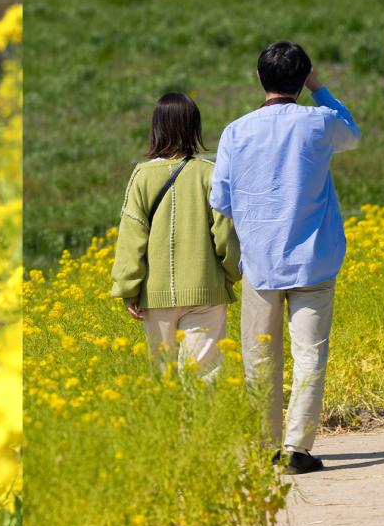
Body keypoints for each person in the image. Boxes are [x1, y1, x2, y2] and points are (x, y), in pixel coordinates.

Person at [210, 41, 360, 474]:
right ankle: (297, 449)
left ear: (259, 78)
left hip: (259, 263)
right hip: (314, 262)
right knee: (310, 354)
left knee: (260, 357)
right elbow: (352, 131)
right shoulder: (320, 122)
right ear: (303, 77)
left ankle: (265, 446)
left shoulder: (236, 131)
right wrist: (321, 88)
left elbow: (220, 197)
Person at [110, 93, 240, 380]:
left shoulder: (141, 176)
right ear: (194, 127)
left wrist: (128, 288)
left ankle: (168, 426)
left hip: (155, 296)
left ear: (156, 128)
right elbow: (224, 232)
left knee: (164, 377)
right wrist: (231, 273)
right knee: (204, 375)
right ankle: (198, 427)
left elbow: (132, 236)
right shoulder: (209, 173)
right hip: (205, 289)